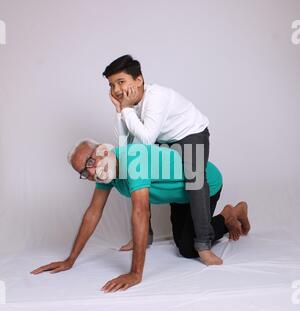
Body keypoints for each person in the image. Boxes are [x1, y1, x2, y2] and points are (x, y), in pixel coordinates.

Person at [31, 141, 250, 293]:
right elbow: (93, 212)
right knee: (182, 240)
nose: (89, 172)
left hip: (204, 183)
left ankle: (230, 214)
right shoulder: (105, 171)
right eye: (83, 172)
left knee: (187, 249)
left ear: (103, 150)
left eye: (89, 162)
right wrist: (70, 260)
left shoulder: (131, 159)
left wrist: (135, 273)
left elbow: (140, 211)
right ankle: (228, 215)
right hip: (179, 194)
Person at [103, 54, 217, 264]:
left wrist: (126, 109)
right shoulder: (129, 103)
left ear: (139, 80)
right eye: (112, 85)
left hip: (190, 133)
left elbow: (146, 139)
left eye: (121, 82)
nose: (117, 90)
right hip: (164, 139)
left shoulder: (156, 97)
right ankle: (144, 237)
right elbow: (123, 147)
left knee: (195, 180)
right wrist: (120, 110)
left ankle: (204, 244)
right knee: (135, 169)